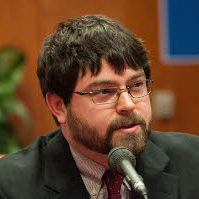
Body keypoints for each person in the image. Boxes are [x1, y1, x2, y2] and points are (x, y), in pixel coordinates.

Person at [0, 15, 199, 199]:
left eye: (136, 85)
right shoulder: (10, 186)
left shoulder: (193, 160)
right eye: (104, 92)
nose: (128, 105)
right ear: (59, 106)